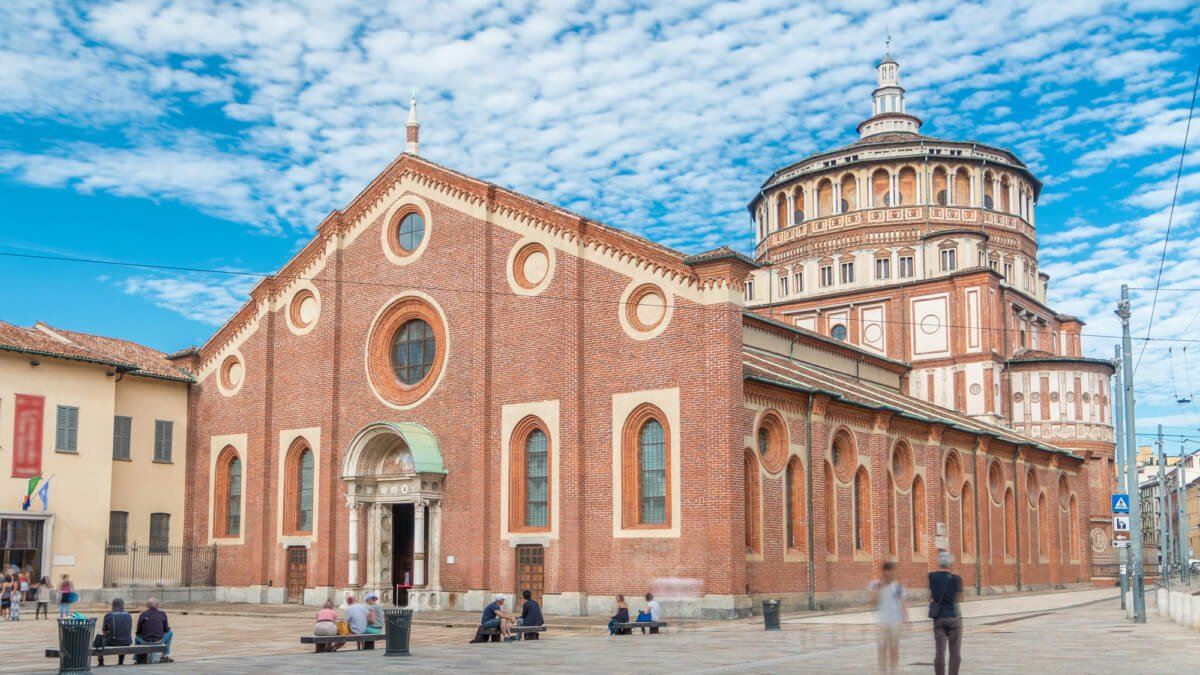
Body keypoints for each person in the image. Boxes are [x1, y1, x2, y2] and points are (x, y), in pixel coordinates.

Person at [869, 561, 908, 674]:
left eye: (891, 571)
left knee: (894, 649)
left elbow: (903, 603)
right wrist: (880, 586)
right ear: (883, 572)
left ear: (893, 572)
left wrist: (906, 619)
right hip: (882, 623)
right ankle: (882, 672)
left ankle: (894, 672)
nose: (889, 574)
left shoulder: (898, 587)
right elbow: (872, 602)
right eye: (887, 571)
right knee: (881, 649)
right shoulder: (874, 585)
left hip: (896, 622)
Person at [928, 552, 963, 675]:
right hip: (953, 617)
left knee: (939, 651)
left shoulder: (931, 576)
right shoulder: (956, 579)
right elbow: (961, 598)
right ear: (950, 563)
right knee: (955, 652)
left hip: (939, 617)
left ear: (939, 563)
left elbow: (930, 595)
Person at [136, 597, 175, 663]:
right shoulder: (162, 614)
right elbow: (166, 630)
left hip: (145, 641)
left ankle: (138, 658)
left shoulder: (142, 615)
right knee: (170, 633)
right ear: (157, 605)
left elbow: (138, 632)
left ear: (147, 605)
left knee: (137, 638)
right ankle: (164, 655)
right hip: (158, 641)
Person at [98, 598, 134, 666]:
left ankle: (101, 662)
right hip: (127, 641)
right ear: (123, 605)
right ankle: (120, 662)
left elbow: (104, 631)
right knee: (122, 638)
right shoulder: (128, 615)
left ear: (113, 606)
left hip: (113, 641)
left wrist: (108, 634)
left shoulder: (109, 615)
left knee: (99, 641)